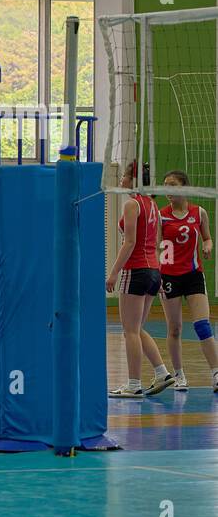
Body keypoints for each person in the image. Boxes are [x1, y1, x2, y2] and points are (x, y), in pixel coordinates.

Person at [107, 163, 173, 397]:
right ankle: (162, 372)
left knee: (130, 331)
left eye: (125, 175)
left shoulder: (132, 204)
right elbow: (153, 242)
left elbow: (130, 241)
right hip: (153, 271)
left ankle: (133, 385)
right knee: (136, 328)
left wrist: (114, 272)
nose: (122, 179)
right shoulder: (154, 205)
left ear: (133, 179)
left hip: (136, 270)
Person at [157, 170, 217, 392]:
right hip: (169, 276)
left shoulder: (198, 213)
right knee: (174, 329)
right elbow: (155, 248)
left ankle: (216, 373)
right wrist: (157, 275)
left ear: (184, 187)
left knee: (202, 325)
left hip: (193, 275)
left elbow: (208, 237)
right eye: (165, 185)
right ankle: (179, 375)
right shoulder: (161, 215)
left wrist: (208, 246)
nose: (167, 190)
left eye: (172, 185)